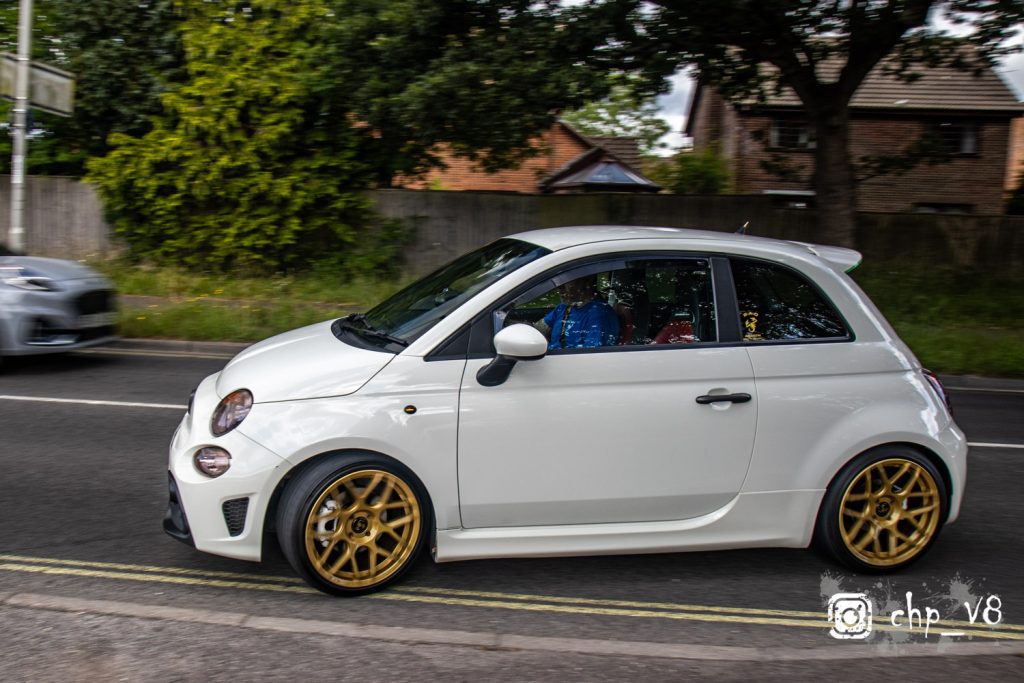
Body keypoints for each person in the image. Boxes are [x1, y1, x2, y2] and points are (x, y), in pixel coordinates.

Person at [535, 275, 619, 350]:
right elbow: (535, 330)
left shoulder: (599, 316)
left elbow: (591, 359)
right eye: (559, 279)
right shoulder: (563, 307)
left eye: (566, 279)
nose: (560, 286)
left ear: (587, 281)